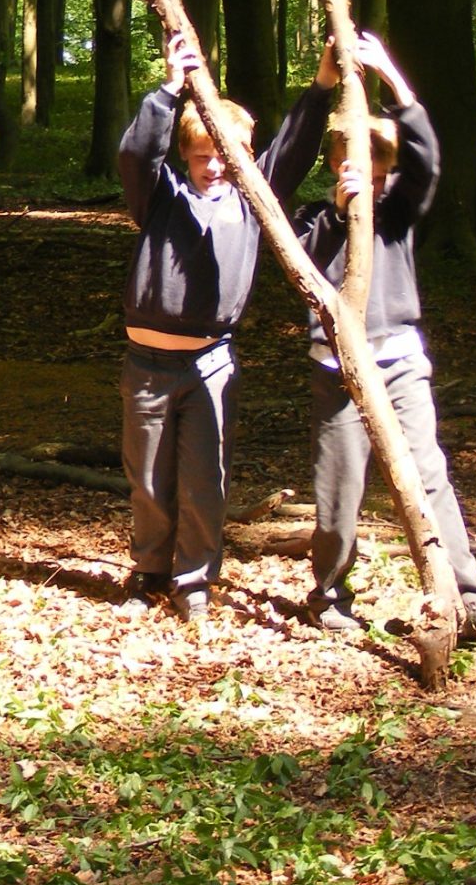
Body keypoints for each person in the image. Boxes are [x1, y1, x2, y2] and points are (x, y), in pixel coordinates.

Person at [118, 31, 336, 621]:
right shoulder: (160, 196)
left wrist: (321, 87)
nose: (213, 165)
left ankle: (193, 583)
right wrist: (169, 88)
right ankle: (150, 573)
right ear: (185, 155)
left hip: (210, 362)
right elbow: (137, 154)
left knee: (203, 478)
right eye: (200, 154)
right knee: (148, 478)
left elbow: (293, 150)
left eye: (225, 153)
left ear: (242, 153)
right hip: (146, 365)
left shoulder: (251, 197)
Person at [293, 33, 476, 640]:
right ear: (336, 163)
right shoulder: (313, 220)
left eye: (382, 165)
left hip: (402, 365)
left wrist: (393, 80)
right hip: (337, 370)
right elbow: (307, 267)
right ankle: (329, 596)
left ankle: (465, 592)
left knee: (427, 474)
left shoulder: (401, 212)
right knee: (340, 485)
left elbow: (430, 160)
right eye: (358, 163)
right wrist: (336, 211)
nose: (372, 177)